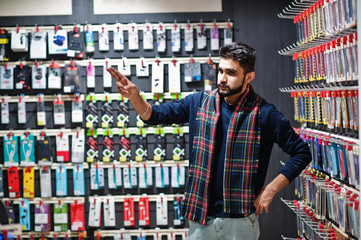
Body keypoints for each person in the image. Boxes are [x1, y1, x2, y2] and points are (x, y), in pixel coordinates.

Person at [107, 42, 311, 240]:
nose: (222, 78)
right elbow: (154, 116)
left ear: (249, 77)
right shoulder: (198, 102)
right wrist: (134, 97)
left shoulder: (265, 114)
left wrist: (270, 189)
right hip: (200, 220)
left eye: (231, 73)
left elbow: (302, 152)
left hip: (240, 222)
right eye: (220, 71)